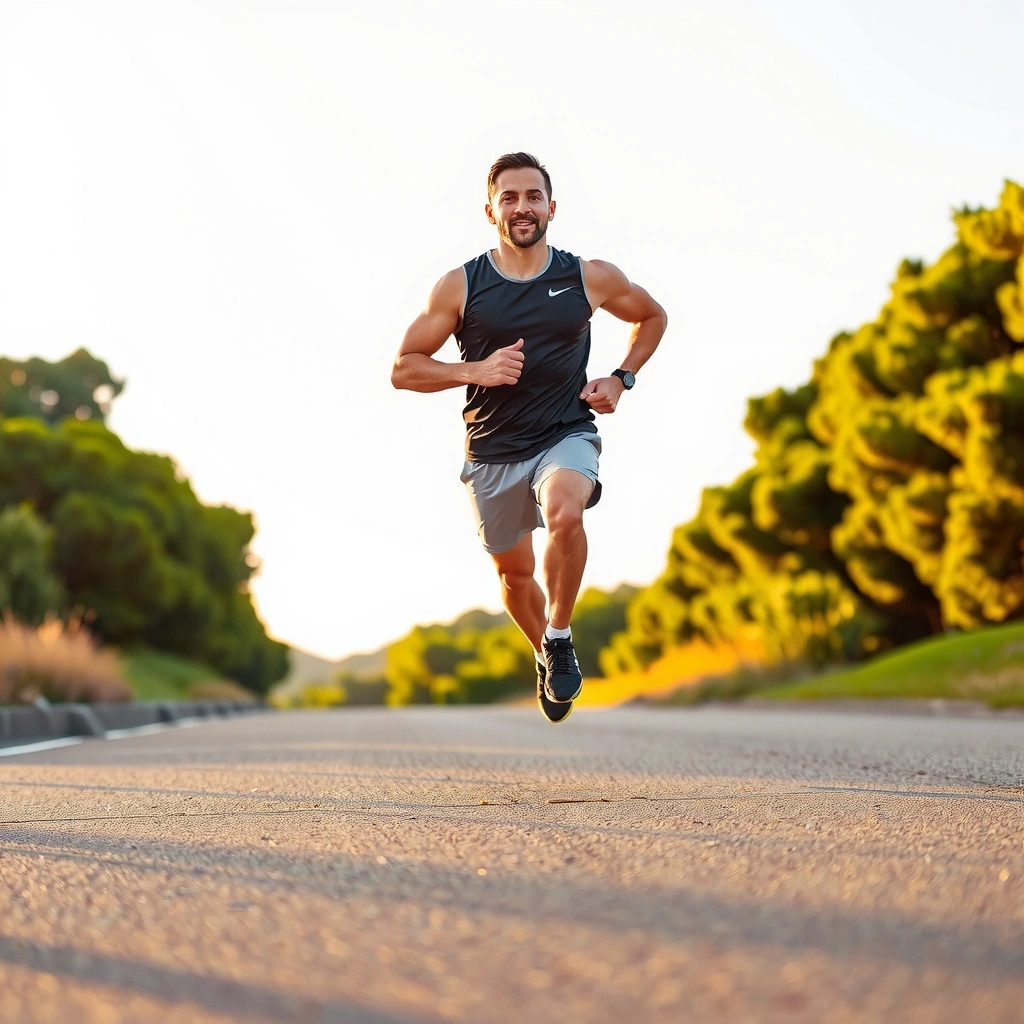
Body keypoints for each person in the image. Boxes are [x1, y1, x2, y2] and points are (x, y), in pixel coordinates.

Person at [392, 152, 667, 722]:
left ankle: (561, 636)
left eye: (533, 197)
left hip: (565, 432)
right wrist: (474, 370)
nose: (523, 208)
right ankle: (543, 650)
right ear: (490, 209)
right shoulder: (460, 286)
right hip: (491, 450)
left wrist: (621, 378)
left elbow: (653, 316)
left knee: (567, 514)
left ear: (552, 207)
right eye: (510, 198)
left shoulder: (588, 277)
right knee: (514, 578)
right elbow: (405, 368)